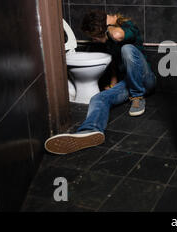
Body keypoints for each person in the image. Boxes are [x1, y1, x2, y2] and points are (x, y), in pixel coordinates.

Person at [44, 11, 156, 155]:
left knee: (127, 48)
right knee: (98, 98)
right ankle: (90, 130)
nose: (94, 41)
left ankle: (137, 97)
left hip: (146, 80)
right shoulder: (109, 41)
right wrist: (113, 83)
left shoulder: (128, 26)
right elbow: (116, 64)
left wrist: (108, 25)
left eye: (94, 37)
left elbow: (118, 36)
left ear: (102, 31)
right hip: (127, 82)